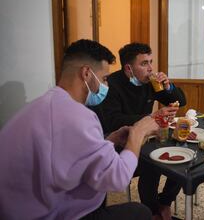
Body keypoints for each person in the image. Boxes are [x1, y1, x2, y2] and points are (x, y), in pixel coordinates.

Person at [0, 39, 159, 220]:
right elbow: (118, 178)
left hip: (21, 207)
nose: (106, 86)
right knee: (140, 212)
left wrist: (110, 140)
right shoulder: (77, 115)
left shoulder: (41, 105)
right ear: (86, 73)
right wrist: (138, 132)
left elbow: (66, 151)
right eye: (105, 79)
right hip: (47, 214)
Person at [96, 43, 186, 220]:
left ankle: (165, 202)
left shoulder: (150, 82)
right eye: (144, 64)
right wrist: (150, 118)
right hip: (120, 140)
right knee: (150, 163)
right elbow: (112, 121)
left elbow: (180, 101)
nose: (151, 68)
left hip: (148, 135)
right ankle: (151, 212)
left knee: (182, 152)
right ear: (129, 68)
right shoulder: (112, 85)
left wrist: (169, 88)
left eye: (151, 62)